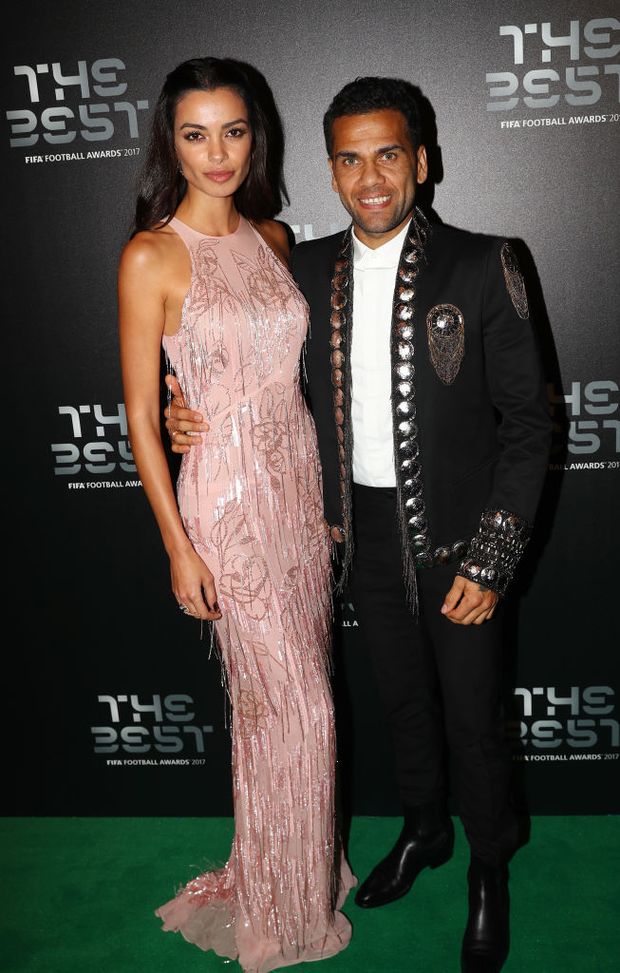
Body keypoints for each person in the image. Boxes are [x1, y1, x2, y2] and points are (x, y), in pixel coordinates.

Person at [165, 76, 552, 972]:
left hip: (461, 536)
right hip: (353, 533)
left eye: (388, 154)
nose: (370, 176)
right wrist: (194, 416)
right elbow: (253, 369)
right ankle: (425, 831)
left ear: (422, 160)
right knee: (402, 700)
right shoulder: (301, 268)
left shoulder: (488, 261)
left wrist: (494, 557)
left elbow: (530, 427)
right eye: (349, 157)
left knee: (472, 715)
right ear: (331, 171)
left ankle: (488, 865)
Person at [118, 56, 354, 973]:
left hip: (296, 493)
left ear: (256, 136)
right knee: (300, 707)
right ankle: (284, 910)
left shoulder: (274, 237)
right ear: (167, 143)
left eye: (234, 131)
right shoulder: (151, 253)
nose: (216, 153)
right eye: (193, 133)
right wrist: (178, 547)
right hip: (223, 497)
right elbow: (143, 412)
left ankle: (283, 869)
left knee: (279, 707)